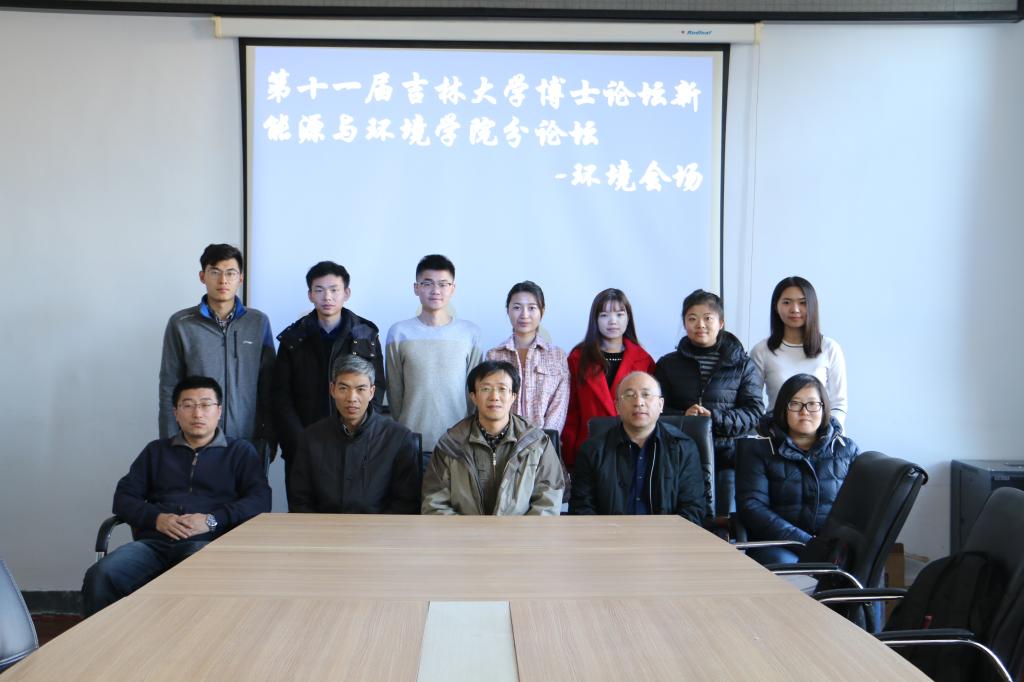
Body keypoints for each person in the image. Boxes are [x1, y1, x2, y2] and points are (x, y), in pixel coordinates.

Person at [82, 376, 271, 616]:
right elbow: (123, 498)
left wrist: (212, 520)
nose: (197, 413)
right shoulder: (156, 452)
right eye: (188, 405)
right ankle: (105, 639)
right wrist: (156, 519)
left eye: (205, 405)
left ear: (219, 411)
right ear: (176, 413)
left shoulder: (240, 452)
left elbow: (260, 500)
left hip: (208, 544)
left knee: (193, 574)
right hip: (153, 545)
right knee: (102, 575)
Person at [273, 261, 385, 504]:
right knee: (305, 513)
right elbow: (281, 396)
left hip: (355, 444)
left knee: (355, 514)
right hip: (303, 444)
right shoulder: (293, 338)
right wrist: (300, 441)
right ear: (310, 295)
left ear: (347, 293)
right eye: (320, 290)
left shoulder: (366, 335)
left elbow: (376, 389)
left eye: (334, 290)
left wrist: (361, 433)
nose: (327, 297)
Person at [159, 243, 276, 463]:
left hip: (248, 440)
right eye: (215, 272)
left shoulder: (258, 322)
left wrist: (270, 437)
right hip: (195, 442)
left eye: (230, 273)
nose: (223, 280)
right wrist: (170, 441)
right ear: (202, 276)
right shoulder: (181, 324)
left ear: (240, 278)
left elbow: (269, 386)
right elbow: (169, 386)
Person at [655, 289, 764, 515]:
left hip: (729, 459)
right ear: (684, 323)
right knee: (684, 522)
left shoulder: (743, 365)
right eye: (692, 318)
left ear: (721, 323)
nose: (700, 325)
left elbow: (754, 412)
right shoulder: (667, 364)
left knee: (725, 522)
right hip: (680, 457)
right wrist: (684, 419)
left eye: (708, 318)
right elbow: (656, 410)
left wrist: (713, 419)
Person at [735, 373, 859, 566]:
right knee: (786, 568)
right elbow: (753, 508)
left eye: (812, 404)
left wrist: (832, 546)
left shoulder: (846, 449)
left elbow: (858, 509)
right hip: (779, 545)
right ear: (783, 409)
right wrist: (808, 543)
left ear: (824, 408)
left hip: (832, 548)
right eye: (795, 404)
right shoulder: (758, 448)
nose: (804, 411)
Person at [422, 360, 564, 515]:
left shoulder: (537, 442)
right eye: (486, 389)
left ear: (513, 396)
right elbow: (434, 504)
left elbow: (548, 503)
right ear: (473, 396)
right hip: (464, 530)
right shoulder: (451, 444)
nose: (494, 396)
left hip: (521, 530)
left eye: (502, 389)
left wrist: (521, 531)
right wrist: (466, 530)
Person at [288, 356, 420, 514]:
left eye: (360, 389)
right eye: (343, 388)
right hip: (323, 527)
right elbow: (300, 501)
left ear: (371, 392)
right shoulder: (310, 438)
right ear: (332, 389)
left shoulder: (398, 438)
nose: (352, 398)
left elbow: (405, 503)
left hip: (379, 528)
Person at [570, 372, 706, 524]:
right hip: (609, 536)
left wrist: (664, 535)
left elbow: (693, 509)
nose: (639, 402)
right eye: (629, 395)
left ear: (661, 405)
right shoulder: (592, 450)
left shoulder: (683, 448)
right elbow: (581, 508)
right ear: (617, 406)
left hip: (667, 536)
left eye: (646, 395)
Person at [385, 254, 482, 450]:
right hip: (411, 442)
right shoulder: (399, 333)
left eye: (443, 284)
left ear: (453, 289)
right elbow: (394, 391)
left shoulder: (470, 333)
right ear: (416, 288)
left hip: (458, 442)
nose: (436, 290)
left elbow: (474, 392)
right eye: (427, 283)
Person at [562, 288, 656, 471]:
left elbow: (651, 411)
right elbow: (571, 411)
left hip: (633, 449)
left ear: (628, 318)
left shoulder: (644, 359)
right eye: (604, 315)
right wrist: (569, 456)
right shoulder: (578, 358)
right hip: (589, 448)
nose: (613, 321)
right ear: (595, 320)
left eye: (619, 314)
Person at [750, 276, 847, 429]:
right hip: (776, 435)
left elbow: (838, 403)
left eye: (803, 303)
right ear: (776, 306)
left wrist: (827, 435)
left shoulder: (830, 348)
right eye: (786, 302)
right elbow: (751, 402)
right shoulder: (761, 350)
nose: (795, 309)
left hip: (821, 436)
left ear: (813, 306)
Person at [485, 281, 569, 432]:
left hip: (545, 440)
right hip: (502, 439)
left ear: (542, 311)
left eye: (532, 308)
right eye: (517, 307)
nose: (524, 315)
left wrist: (542, 440)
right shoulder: (494, 355)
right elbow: (490, 402)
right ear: (508, 310)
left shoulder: (557, 355)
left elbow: (559, 406)